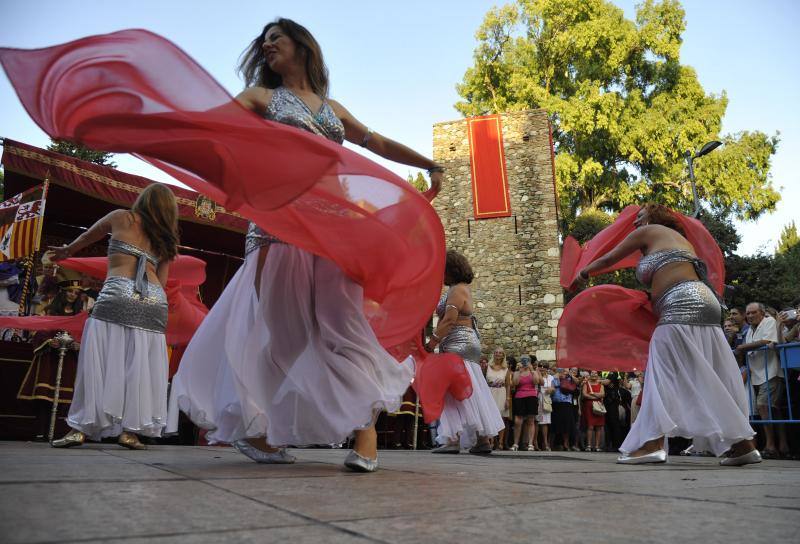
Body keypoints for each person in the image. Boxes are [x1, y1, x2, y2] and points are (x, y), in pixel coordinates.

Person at [168, 19, 443, 472]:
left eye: (277, 37)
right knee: (286, 337)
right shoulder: (260, 98)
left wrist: (429, 162)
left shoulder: (332, 107)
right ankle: (257, 431)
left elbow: (377, 143)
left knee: (345, 324)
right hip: (278, 227)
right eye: (264, 42)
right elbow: (217, 128)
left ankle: (365, 433)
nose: (268, 45)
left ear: (302, 45)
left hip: (333, 229)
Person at [573, 203, 759, 466]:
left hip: (681, 301)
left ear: (654, 217)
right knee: (704, 372)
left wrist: (583, 272)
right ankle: (743, 444)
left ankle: (652, 444)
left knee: (661, 371)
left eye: (639, 217)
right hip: (705, 301)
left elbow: (609, 257)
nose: (635, 223)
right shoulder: (678, 240)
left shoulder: (650, 231)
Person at [50, 183, 178, 449]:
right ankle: (130, 433)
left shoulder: (122, 217)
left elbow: (88, 236)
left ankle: (79, 429)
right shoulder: (166, 239)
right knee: (140, 366)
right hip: (153, 300)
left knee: (99, 360)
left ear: (142, 200)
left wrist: (66, 251)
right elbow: (162, 282)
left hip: (118, 293)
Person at [427, 250, 504, 454]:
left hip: (458, 343)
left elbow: (450, 319)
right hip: (465, 343)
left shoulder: (456, 290)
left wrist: (432, 342)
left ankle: (453, 438)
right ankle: (480, 439)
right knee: (470, 389)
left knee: (454, 390)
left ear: (451, 270)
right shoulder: (459, 289)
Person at [737, 302, 788, 458]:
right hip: (757, 374)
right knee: (773, 410)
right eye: (748, 313)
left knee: (763, 406)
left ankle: (770, 445)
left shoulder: (769, 322)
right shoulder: (750, 331)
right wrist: (744, 348)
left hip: (771, 372)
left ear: (762, 312)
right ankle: (783, 446)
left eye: (754, 312)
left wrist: (743, 347)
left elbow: (767, 341)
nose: (750, 316)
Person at [510, 355, 542, 451]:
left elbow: (536, 382)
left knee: (531, 420)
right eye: (523, 360)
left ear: (529, 361)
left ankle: (530, 443)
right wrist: (519, 371)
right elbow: (515, 383)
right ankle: (515, 443)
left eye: (527, 360)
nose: (525, 362)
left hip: (531, 396)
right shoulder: (517, 372)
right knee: (517, 421)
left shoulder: (534, 371)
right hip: (519, 396)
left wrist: (532, 370)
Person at [485, 347, 511, 450]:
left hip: (501, 393)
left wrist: (508, 399)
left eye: (500, 353)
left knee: (501, 418)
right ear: (493, 354)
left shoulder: (506, 369)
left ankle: (500, 442)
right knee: (490, 417)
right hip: (490, 392)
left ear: (503, 355)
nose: (498, 354)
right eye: (496, 352)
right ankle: (490, 441)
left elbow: (508, 385)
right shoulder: (488, 367)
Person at [580, 370, 606, 452]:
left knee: (598, 426)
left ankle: (597, 446)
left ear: (598, 375)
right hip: (589, 406)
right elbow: (584, 394)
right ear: (590, 375)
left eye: (595, 373)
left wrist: (592, 394)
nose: (594, 374)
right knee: (590, 426)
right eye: (592, 373)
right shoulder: (586, 383)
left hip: (598, 407)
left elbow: (603, 394)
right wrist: (596, 397)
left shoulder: (600, 384)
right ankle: (589, 445)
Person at [536, 362, 555, 451]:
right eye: (540, 366)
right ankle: (534, 442)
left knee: (545, 423)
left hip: (546, 400)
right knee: (536, 421)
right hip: (538, 398)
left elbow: (553, 388)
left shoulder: (551, 377)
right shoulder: (536, 375)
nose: (542, 368)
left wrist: (551, 389)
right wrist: (538, 373)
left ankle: (545, 443)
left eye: (545, 367)